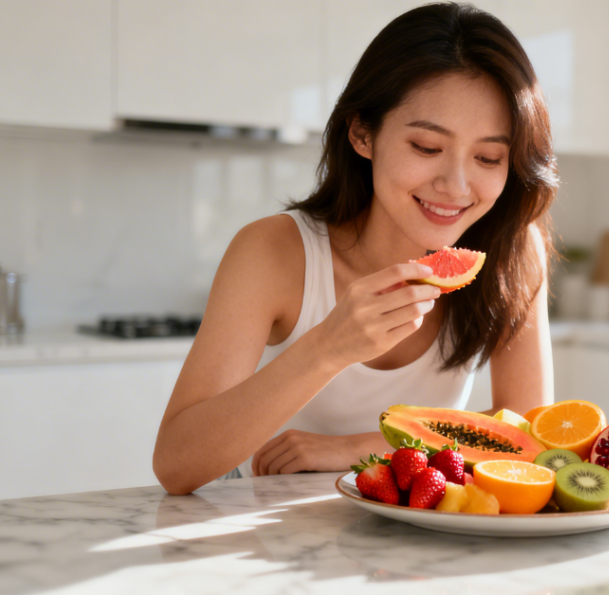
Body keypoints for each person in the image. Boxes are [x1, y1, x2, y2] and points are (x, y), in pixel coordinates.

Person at [153, 2, 558, 495]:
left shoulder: (514, 249)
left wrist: (359, 447)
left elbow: (530, 436)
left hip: (420, 547)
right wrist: (328, 347)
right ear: (362, 133)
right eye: (427, 148)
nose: (456, 185)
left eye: (489, 157)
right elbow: (175, 464)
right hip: (262, 535)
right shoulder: (273, 252)